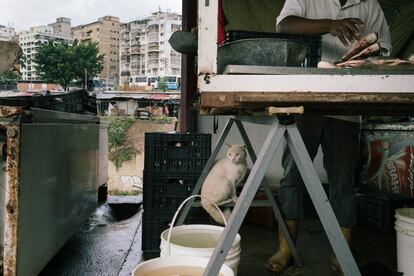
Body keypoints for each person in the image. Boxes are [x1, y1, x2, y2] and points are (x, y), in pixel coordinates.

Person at [267, 0, 392, 274]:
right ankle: (287, 248)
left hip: (347, 104)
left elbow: (384, 48)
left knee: (343, 181)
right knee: (293, 176)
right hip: (304, 99)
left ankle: (341, 252)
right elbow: (284, 24)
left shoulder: (369, 5)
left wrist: (368, 54)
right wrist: (330, 25)